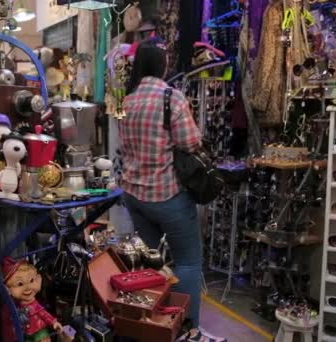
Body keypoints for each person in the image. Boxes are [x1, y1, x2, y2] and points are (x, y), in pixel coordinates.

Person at [118, 38, 226, 342]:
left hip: (134, 195)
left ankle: (145, 322)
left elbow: (125, 147)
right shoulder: (171, 98)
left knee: (146, 262)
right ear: (163, 65)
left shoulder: (126, 99)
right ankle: (186, 329)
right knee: (188, 261)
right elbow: (191, 142)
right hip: (167, 195)